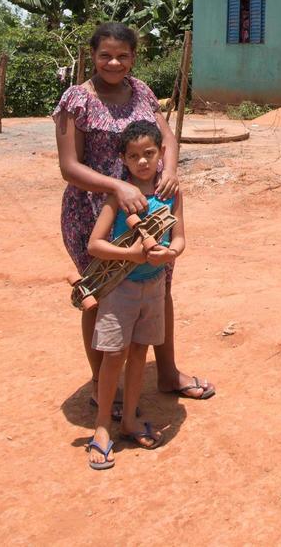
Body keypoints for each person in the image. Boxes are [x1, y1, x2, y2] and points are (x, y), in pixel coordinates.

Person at [53, 22, 215, 412]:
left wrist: (171, 172)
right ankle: (102, 386)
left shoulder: (141, 91)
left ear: (133, 57)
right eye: (105, 55)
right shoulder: (77, 100)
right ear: (92, 56)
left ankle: (167, 372)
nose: (113, 62)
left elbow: (168, 140)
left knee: (159, 285)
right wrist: (116, 187)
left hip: (153, 209)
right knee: (101, 293)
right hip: (96, 214)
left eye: (122, 55)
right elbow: (69, 166)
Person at [83, 121, 186, 470]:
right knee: (115, 356)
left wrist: (169, 254)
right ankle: (101, 428)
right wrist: (131, 256)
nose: (142, 162)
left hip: (154, 286)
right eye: (134, 156)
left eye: (149, 154)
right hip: (120, 289)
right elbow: (94, 245)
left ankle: (128, 420)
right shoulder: (119, 197)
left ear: (161, 153)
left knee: (140, 351)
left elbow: (180, 238)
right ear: (123, 160)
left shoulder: (171, 194)